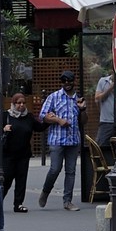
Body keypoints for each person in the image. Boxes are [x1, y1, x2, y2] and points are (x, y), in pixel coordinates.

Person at [37, 69, 85, 210]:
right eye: (63, 81)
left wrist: (82, 110)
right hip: (57, 139)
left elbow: (84, 121)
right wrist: (58, 120)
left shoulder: (78, 98)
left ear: (73, 81)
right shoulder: (54, 97)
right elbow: (42, 116)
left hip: (73, 139)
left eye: (69, 81)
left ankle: (67, 201)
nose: (66, 84)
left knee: (71, 171)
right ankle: (45, 191)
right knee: (55, 169)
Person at [0, 90, 38, 212]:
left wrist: (49, 121)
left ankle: (18, 204)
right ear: (13, 104)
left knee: (21, 179)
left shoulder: (29, 117)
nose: (21, 105)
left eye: (23, 103)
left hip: (23, 154)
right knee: (7, 179)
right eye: (18, 103)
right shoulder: (6, 116)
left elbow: (39, 127)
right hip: (8, 154)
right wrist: (3, 129)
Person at [94, 75, 116, 154]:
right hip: (106, 121)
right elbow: (97, 98)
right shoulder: (103, 81)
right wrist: (110, 88)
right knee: (100, 146)